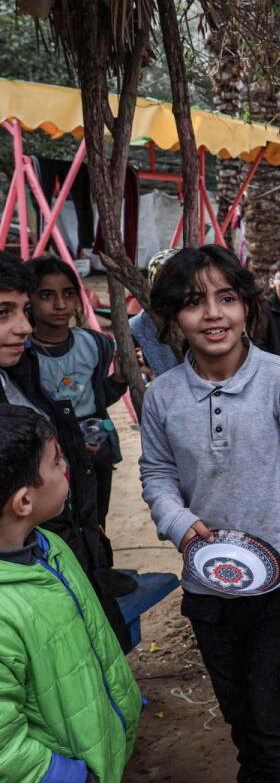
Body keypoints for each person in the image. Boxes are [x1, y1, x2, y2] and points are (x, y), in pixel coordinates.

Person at [139, 244, 280, 782]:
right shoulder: (162, 397)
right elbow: (156, 474)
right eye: (193, 302)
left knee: (275, 721)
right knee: (241, 716)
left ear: (247, 306)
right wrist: (179, 525)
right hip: (209, 590)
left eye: (225, 298)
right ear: (171, 317)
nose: (211, 314)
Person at [0, 403, 141, 783]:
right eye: (56, 461)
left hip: (97, 749)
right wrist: (71, 777)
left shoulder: (49, 546)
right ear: (23, 501)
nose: (66, 467)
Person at [0, 252, 133, 649]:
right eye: (3, 312)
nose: (24, 326)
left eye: (23, 310)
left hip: (62, 543)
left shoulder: (22, 372)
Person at [26, 256, 128, 535]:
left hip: (95, 450)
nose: (60, 305)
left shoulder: (93, 344)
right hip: (49, 453)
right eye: (47, 295)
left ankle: (98, 570)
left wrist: (118, 380)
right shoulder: (22, 355)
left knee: (95, 517)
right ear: (29, 300)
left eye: (68, 294)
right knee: (57, 522)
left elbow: (97, 398)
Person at [129, 248, 181, 379]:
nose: (172, 288)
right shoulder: (140, 325)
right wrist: (150, 373)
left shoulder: (202, 317)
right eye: (164, 281)